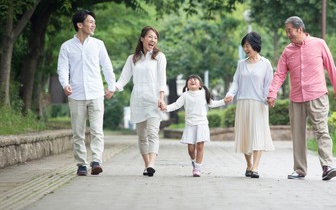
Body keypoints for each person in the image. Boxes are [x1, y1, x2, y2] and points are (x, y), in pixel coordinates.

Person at [267, 16, 336, 181]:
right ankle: (299, 170)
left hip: (317, 95)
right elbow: (279, 74)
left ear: (299, 29)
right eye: (287, 31)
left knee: (322, 131)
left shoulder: (319, 44)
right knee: (298, 135)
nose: (288, 34)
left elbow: (330, 65)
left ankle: (327, 166)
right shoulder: (287, 51)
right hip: (296, 99)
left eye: (290, 31)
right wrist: (272, 93)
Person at [57, 9, 116, 176]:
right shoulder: (66, 47)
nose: (93, 24)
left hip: (96, 93)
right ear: (79, 25)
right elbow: (62, 68)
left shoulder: (98, 44)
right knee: (78, 132)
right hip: (76, 94)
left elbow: (107, 66)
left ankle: (96, 161)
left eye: (94, 22)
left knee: (97, 131)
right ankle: (81, 164)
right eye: (90, 22)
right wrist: (65, 84)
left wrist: (111, 87)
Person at [115, 26, 167, 177]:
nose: (153, 40)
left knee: (153, 133)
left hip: (154, 100)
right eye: (150, 37)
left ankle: (152, 164)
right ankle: (146, 164)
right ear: (142, 38)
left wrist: (161, 98)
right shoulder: (132, 59)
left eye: (155, 38)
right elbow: (123, 79)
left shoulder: (159, 57)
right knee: (142, 136)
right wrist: (112, 88)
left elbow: (162, 79)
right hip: (137, 100)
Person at [225, 31, 275, 179]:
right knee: (246, 136)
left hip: (259, 104)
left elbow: (268, 84)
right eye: (244, 46)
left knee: (258, 135)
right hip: (243, 103)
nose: (245, 49)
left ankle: (255, 167)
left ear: (255, 45)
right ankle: (248, 165)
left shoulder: (265, 64)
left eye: (247, 45)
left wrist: (269, 98)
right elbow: (236, 82)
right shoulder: (241, 64)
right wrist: (230, 94)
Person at [161, 74, 228, 177]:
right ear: (187, 85)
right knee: (191, 149)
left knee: (200, 147)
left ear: (200, 85)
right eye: (190, 80)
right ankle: (193, 161)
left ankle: (197, 169)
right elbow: (176, 105)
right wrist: (166, 108)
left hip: (202, 124)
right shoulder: (185, 95)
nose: (192, 80)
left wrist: (224, 101)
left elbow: (212, 103)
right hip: (190, 125)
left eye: (195, 79)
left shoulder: (203, 93)